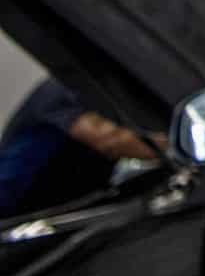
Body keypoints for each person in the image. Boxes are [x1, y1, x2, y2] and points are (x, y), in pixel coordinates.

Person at [0, 77, 161, 216]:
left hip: (68, 208)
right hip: (12, 213)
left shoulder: (114, 88)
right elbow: (112, 142)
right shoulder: (62, 91)